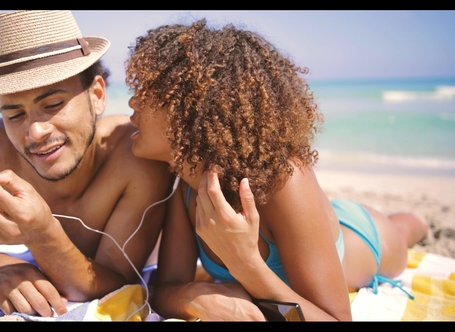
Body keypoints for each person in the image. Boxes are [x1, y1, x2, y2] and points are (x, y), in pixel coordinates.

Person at [125, 20, 429, 321]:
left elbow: (336, 319)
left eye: (150, 93)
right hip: (311, 225)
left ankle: (419, 222)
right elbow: (165, 290)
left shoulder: (283, 181)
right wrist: (193, 298)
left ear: (189, 108)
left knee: (401, 231)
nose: (132, 102)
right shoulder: (187, 188)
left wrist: (246, 265)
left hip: (364, 239)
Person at [0, 10, 172, 318]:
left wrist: (41, 230)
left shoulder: (135, 154)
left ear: (97, 96)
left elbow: (117, 282)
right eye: (14, 114)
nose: (36, 131)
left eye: (54, 104)